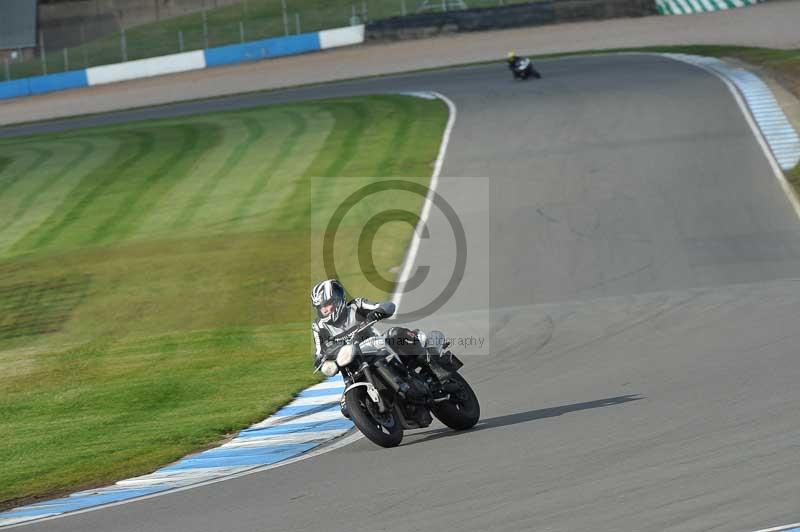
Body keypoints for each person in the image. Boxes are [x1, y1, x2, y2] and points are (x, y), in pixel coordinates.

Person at [310, 279, 422, 368]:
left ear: (337, 300)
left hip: (377, 349)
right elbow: (319, 353)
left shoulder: (356, 306)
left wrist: (378, 312)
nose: (324, 310)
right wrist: (320, 359)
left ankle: (433, 367)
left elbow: (387, 306)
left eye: (326, 304)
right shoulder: (319, 326)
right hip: (350, 362)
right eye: (320, 307)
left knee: (395, 333)